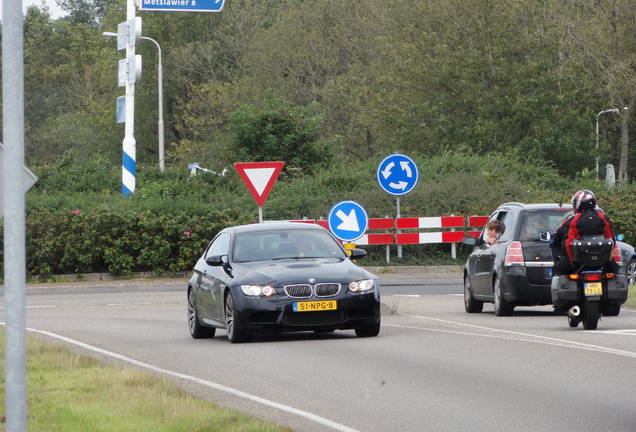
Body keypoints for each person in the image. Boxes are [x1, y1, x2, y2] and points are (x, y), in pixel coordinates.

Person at [551, 189, 618, 275]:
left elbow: (568, 241)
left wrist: (571, 261)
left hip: (577, 262)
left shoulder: (574, 219)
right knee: (615, 270)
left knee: (557, 269)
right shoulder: (603, 217)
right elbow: (611, 239)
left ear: (578, 203)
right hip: (603, 262)